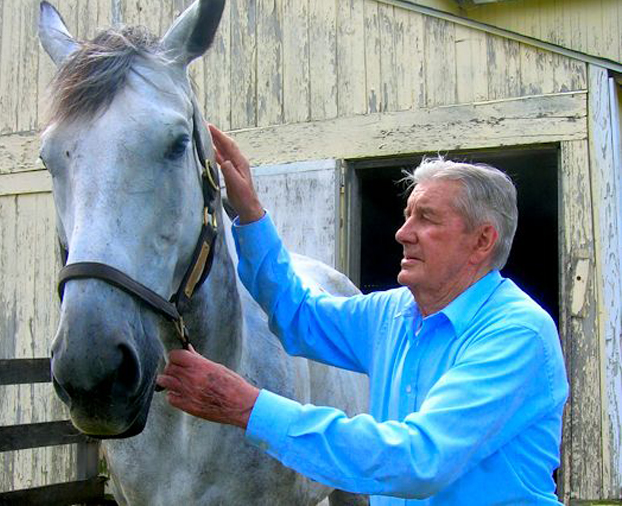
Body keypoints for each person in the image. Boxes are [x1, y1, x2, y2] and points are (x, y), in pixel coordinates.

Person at [156, 125, 569, 505]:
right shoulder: (392, 314)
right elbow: (299, 315)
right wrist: (249, 213)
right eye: (407, 215)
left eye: (426, 218)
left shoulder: (516, 332)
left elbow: (418, 459)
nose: (402, 233)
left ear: (482, 241)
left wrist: (247, 408)